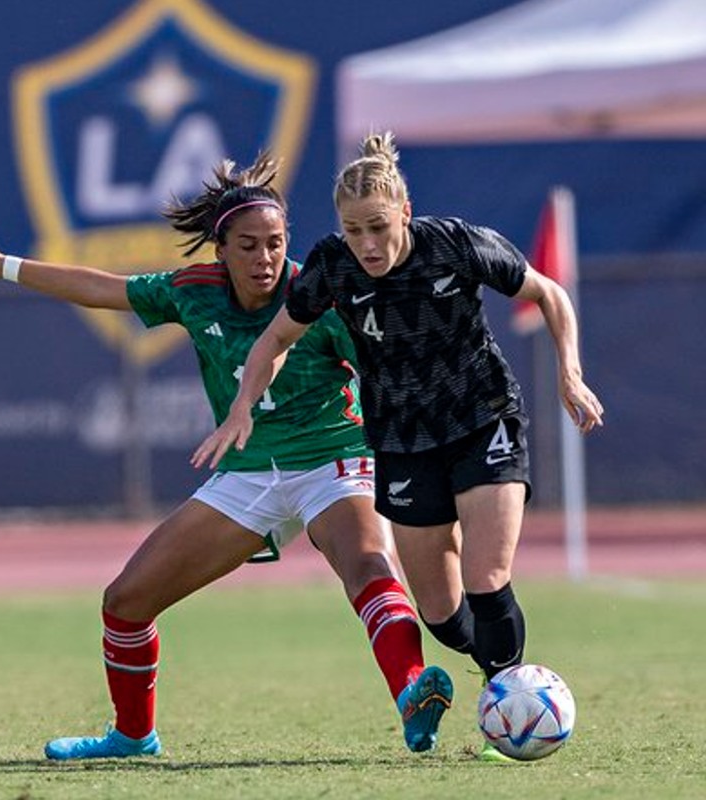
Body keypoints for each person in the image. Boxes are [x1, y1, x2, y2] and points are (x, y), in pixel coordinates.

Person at [0, 152, 453, 759]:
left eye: (275, 243)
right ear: (219, 250)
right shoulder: (193, 292)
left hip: (332, 459)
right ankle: (134, 737)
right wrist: (0, 264)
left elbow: (390, 366)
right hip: (247, 470)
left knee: (369, 565)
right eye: (248, 246)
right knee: (125, 603)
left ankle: (410, 695)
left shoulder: (316, 292)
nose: (265, 258)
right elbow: (101, 288)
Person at [195, 132, 604, 760]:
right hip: (404, 441)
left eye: (378, 228)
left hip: (482, 417)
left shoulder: (457, 245)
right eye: (354, 230)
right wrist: (244, 403)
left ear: (404, 214)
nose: (367, 244)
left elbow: (549, 293)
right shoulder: (332, 266)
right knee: (441, 616)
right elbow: (273, 340)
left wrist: (569, 373)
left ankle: (509, 700)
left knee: (487, 579)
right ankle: (497, 672)